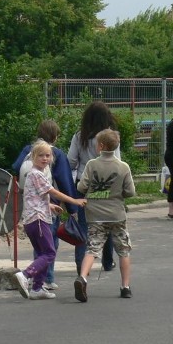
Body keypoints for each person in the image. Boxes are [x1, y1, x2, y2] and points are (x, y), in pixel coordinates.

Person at [13, 140, 87, 300]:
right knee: (49, 252)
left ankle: (37, 289)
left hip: (32, 219)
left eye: (48, 155)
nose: (45, 158)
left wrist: (51, 207)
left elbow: (35, 196)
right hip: (38, 220)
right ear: (33, 157)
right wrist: (75, 201)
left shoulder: (34, 175)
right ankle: (25, 275)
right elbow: (54, 193)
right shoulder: (37, 174)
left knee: (42, 253)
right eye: (40, 155)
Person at [73, 129, 136, 302]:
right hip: (116, 214)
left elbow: (81, 187)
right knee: (123, 250)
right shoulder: (123, 167)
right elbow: (130, 191)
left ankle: (83, 277)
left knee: (92, 248)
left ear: (101, 146)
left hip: (94, 213)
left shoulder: (91, 165)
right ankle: (125, 286)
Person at [67, 101, 118, 272]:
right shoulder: (110, 137)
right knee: (107, 222)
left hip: (83, 184)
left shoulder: (79, 136)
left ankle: (82, 265)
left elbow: (71, 161)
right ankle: (108, 261)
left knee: (83, 226)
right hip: (106, 184)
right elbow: (117, 161)